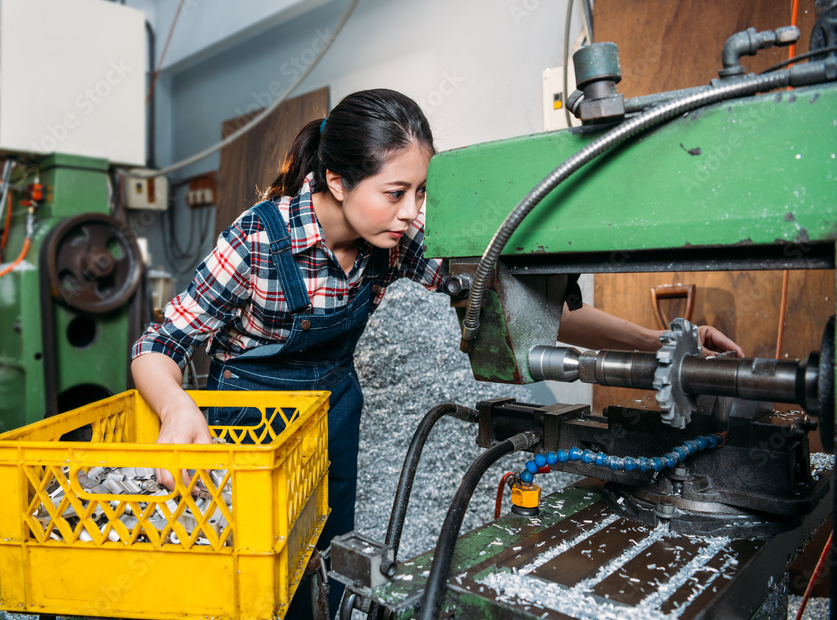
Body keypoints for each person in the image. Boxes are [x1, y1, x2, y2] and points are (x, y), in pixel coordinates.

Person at [130, 88, 743, 618]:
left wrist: (659, 343)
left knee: (327, 549)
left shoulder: (393, 243)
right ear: (337, 182)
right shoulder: (260, 239)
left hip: (333, 410)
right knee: (253, 564)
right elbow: (158, 344)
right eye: (395, 193)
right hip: (249, 420)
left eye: (420, 193)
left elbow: (524, 308)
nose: (410, 214)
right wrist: (179, 408)